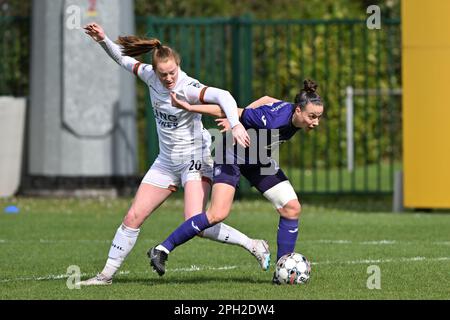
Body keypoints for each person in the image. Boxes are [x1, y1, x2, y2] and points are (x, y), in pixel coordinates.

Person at [77, 23, 269, 286]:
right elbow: (122, 60)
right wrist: (103, 40)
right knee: (133, 217)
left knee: (194, 222)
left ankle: (253, 244)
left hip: (195, 159)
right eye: (163, 73)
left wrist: (235, 124)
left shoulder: (188, 87)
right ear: (155, 70)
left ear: (178, 65)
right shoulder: (149, 75)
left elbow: (223, 95)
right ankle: (105, 276)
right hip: (166, 161)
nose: (168, 78)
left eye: (172, 72)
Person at [148, 79, 324, 283]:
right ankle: (161, 250)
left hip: (259, 158)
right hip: (231, 156)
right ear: (298, 111)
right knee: (217, 213)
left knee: (291, 208)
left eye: (319, 117)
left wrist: (238, 122)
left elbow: (266, 99)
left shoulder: (290, 110)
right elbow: (226, 108)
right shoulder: (272, 118)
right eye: (312, 116)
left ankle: (280, 275)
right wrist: (192, 107)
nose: (315, 122)